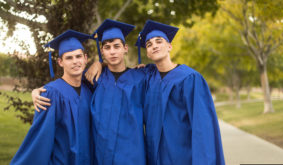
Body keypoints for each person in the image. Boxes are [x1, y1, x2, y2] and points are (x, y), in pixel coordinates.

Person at [31, 19, 149, 165]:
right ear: (102, 51)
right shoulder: (93, 79)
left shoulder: (143, 78)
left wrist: (99, 63)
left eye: (116, 46)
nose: (112, 51)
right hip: (100, 156)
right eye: (107, 47)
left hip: (132, 156)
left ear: (125, 48)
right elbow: (66, 84)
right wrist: (36, 91)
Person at [136, 20, 225, 165]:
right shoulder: (147, 78)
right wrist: (99, 63)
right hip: (155, 156)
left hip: (182, 156)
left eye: (159, 41)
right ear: (147, 53)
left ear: (169, 46)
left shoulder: (190, 78)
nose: (154, 46)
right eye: (149, 44)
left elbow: (202, 126)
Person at [11, 30, 93, 165]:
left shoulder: (89, 91)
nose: (75, 62)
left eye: (78, 56)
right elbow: (40, 138)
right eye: (69, 58)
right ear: (60, 62)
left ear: (85, 58)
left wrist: (100, 64)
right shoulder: (51, 94)